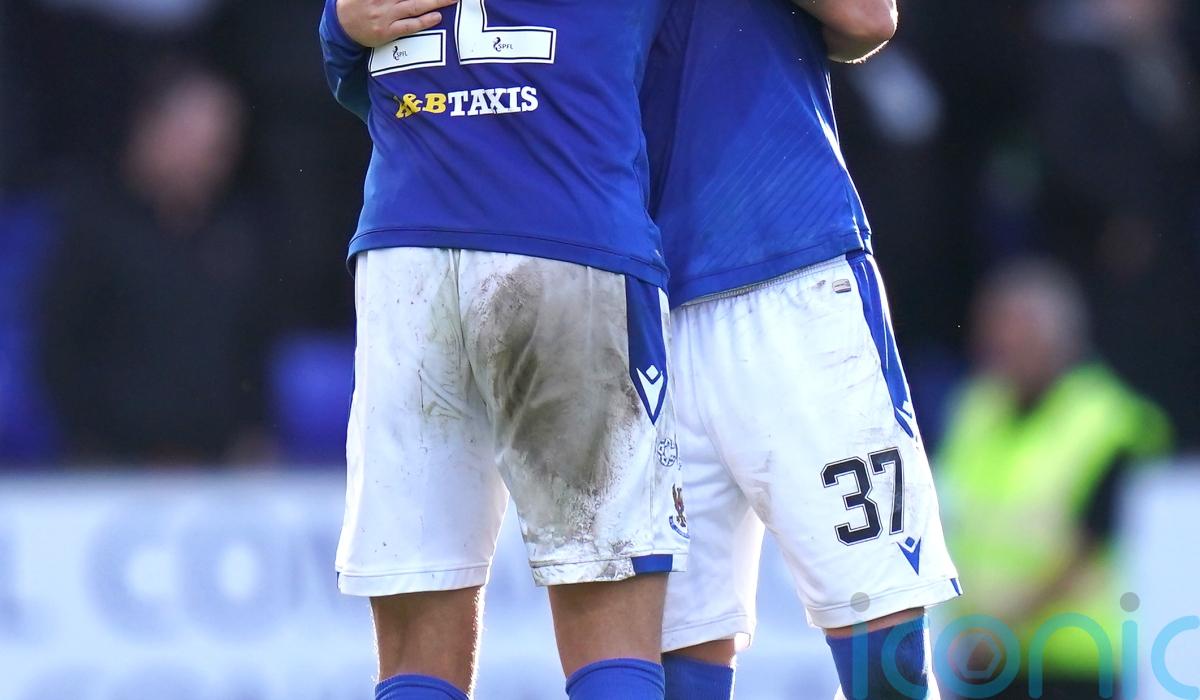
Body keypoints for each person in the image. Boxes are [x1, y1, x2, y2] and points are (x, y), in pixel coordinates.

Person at [319, 1, 688, 699]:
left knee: (417, 631)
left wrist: (337, 26)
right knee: (606, 602)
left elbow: (348, 62)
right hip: (565, 228)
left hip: (408, 250)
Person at [639, 0, 961, 697]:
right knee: (674, 664)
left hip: (791, 273)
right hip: (633, 297)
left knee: (886, 659)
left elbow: (867, 16)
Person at [936, 259, 1171, 698]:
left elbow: (1088, 549)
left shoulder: (1105, 420)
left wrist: (1000, 627)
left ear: (1060, 339)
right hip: (985, 659)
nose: (1005, 345)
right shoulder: (975, 409)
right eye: (997, 333)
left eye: (1020, 333)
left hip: (1071, 664)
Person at [40, 63, 270, 464]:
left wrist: (253, 435)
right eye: (194, 140)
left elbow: (253, 348)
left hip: (219, 470)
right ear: (150, 131)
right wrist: (91, 444)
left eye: (220, 145)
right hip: (110, 467)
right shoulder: (93, 228)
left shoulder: (238, 235)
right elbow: (59, 349)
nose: (209, 159)